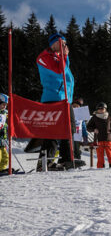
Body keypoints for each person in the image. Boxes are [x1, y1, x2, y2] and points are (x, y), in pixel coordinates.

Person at [29, 33, 76, 170]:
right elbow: (59, 71)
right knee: (52, 132)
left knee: (69, 129)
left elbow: (66, 75)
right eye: (61, 44)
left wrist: (63, 57)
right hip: (53, 99)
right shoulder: (44, 57)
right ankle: (44, 163)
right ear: (53, 43)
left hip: (65, 99)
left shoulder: (58, 57)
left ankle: (66, 159)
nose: (64, 46)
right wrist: (64, 56)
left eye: (65, 44)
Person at [86, 102, 111, 168]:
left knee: (110, 154)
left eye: (102, 108)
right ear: (97, 110)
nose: (101, 110)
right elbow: (88, 127)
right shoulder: (94, 118)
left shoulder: (109, 117)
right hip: (98, 139)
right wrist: (94, 129)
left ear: (105, 109)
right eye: (99, 109)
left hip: (108, 139)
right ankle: (100, 168)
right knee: (100, 156)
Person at [71, 97, 88, 162]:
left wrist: (85, 137)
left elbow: (83, 127)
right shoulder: (68, 113)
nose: (75, 108)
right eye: (74, 106)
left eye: (77, 106)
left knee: (76, 150)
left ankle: (77, 161)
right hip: (69, 136)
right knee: (68, 149)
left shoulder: (81, 115)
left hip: (77, 136)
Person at [0, 94, 9, 173]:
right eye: (3, 104)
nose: (4, 106)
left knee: (5, 156)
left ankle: (2, 169)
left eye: (5, 105)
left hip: (3, 139)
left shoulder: (5, 113)